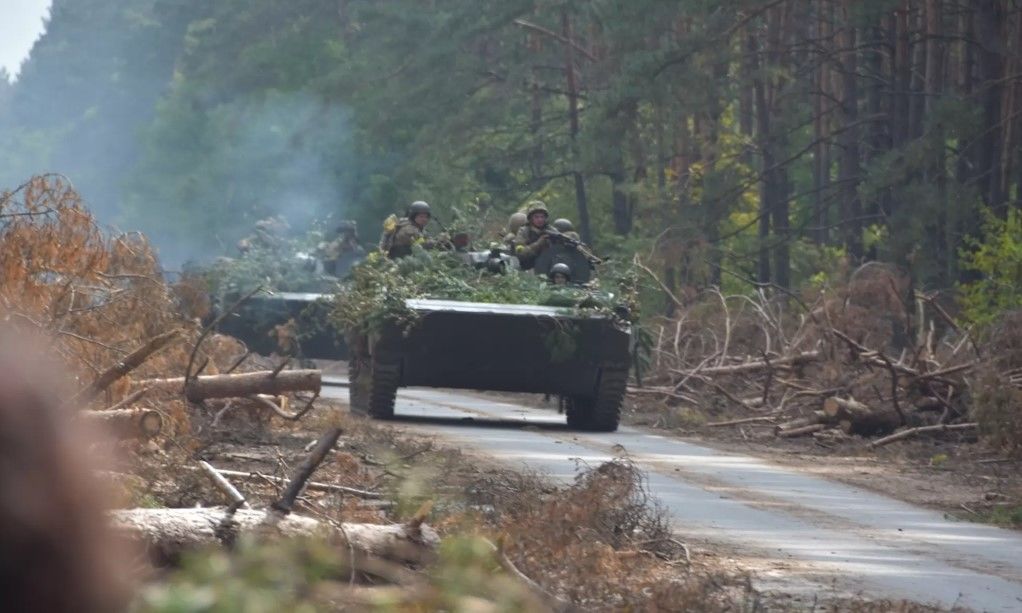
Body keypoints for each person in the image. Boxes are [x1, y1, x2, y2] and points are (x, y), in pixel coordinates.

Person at [512, 201, 551, 270]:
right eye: (536, 217)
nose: (540, 219)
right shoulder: (524, 231)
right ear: (530, 218)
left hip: (549, 266)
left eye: (542, 217)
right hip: (529, 268)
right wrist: (538, 244)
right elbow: (521, 254)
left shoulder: (551, 230)